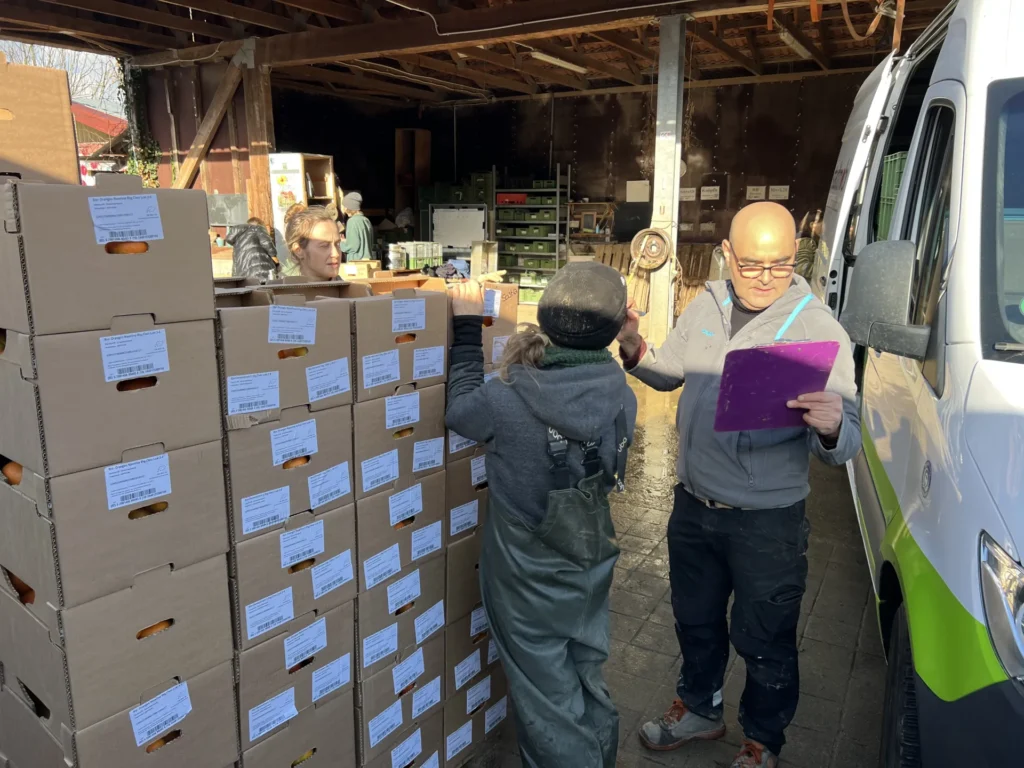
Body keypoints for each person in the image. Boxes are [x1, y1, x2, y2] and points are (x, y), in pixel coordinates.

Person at [620, 202, 860, 768]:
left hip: (766, 521)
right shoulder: (705, 303)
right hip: (693, 505)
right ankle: (700, 708)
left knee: (765, 635)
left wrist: (832, 427)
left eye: (780, 265)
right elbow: (670, 370)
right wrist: (633, 349)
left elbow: (845, 443)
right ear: (726, 254)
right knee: (695, 618)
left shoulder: (817, 328)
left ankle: (762, 740)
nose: (766, 279)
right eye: (752, 265)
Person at [446, 263, 638, 768]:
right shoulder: (623, 396)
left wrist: (467, 329)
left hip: (525, 579)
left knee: (545, 697)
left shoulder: (506, 397)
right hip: (589, 566)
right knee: (584, 670)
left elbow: (459, 412)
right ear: (617, 328)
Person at [284, 205, 341, 281]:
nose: (336, 254)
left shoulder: (354, 292)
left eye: (337, 244)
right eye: (324, 246)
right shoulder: (283, 292)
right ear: (298, 250)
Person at [227, 217, 279, 281]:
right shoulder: (257, 228)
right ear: (260, 224)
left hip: (242, 275)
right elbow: (266, 242)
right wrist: (274, 256)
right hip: (258, 270)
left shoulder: (238, 240)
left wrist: (235, 278)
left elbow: (235, 262)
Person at [338, 191, 374, 262]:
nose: (344, 210)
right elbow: (363, 242)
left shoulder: (352, 221)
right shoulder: (366, 220)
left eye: (345, 207)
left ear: (350, 207)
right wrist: (346, 241)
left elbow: (353, 247)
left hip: (356, 263)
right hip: (368, 262)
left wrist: (340, 243)